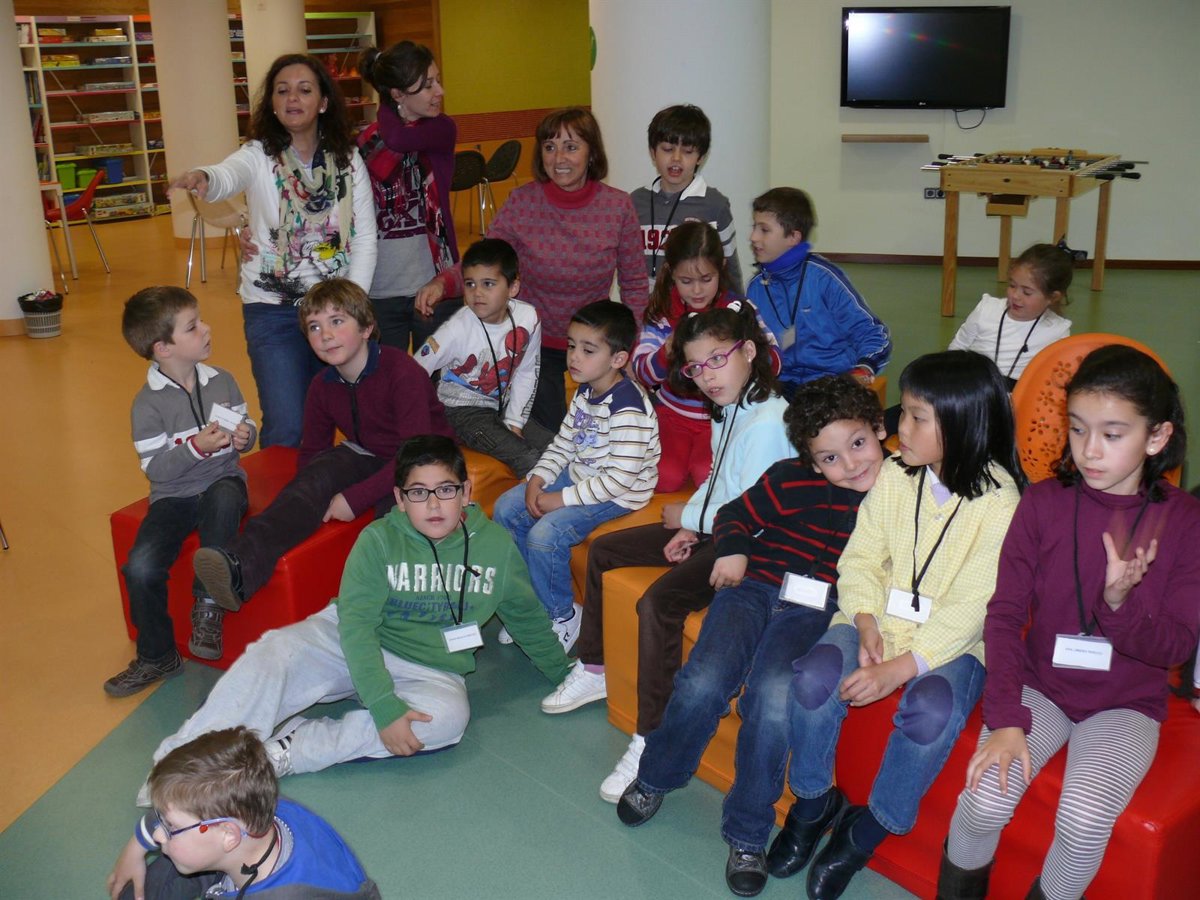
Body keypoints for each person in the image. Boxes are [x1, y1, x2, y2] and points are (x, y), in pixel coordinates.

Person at [141, 437, 573, 787]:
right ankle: (183, 765)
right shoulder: (377, 539)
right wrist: (384, 706)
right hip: (350, 642)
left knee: (448, 720)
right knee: (275, 651)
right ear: (399, 499)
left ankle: (288, 751)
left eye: (446, 490)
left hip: (430, 667)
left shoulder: (495, 547)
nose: (434, 504)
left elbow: (526, 617)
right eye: (418, 493)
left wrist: (565, 675)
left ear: (466, 492)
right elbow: (358, 626)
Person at [940, 346, 1200, 900]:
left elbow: (1177, 646)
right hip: (1041, 686)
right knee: (985, 798)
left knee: (1083, 822)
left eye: (1112, 434)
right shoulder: (1042, 502)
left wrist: (1120, 604)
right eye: (1078, 429)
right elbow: (1005, 616)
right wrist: (1005, 718)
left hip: (1125, 704)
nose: (1089, 450)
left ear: (1156, 437)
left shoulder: (1185, 520)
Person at [615, 377, 889, 899]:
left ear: (879, 429)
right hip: (754, 587)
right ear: (812, 462)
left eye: (858, 444)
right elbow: (734, 514)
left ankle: (747, 834)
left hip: (816, 609)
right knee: (703, 681)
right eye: (830, 458)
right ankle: (656, 776)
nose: (851, 464)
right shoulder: (789, 477)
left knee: (774, 698)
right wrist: (733, 549)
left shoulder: (894, 493)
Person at [773, 351, 1025, 900]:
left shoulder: (1001, 503)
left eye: (915, 417)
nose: (898, 427)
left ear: (961, 422)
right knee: (814, 677)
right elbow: (861, 557)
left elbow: (972, 609)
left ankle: (868, 830)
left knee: (932, 710)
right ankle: (813, 802)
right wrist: (865, 621)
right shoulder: (896, 474)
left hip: (955, 645)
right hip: (877, 617)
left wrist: (900, 668)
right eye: (903, 413)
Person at [542, 305, 791, 804]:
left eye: (717, 360)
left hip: (750, 544)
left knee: (658, 603)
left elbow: (752, 511)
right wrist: (692, 521)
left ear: (748, 351)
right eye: (695, 367)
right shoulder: (730, 404)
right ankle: (595, 668)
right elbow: (719, 482)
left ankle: (649, 736)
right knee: (606, 550)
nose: (707, 377)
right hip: (716, 525)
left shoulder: (767, 420)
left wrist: (691, 520)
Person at [191, 280, 452, 613]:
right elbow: (313, 453)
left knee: (395, 520)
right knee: (314, 479)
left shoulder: (401, 372)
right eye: (315, 327)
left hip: (424, 458)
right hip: (367, 453)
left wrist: (354, 499)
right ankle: (239, 567)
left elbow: (414, 455)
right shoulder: (323, 384)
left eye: (337, 321)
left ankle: (402, 607)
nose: (325, 335)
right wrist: (308, 496)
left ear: (367, 328)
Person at [169, 54, 376, 449]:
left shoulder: (348, 160)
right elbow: (228, 174)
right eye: (282, 91)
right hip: (273, 311)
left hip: (336, 311)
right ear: (272, 104)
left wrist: (352, 307)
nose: (292, 98)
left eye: (304, 90)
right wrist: (205, 178)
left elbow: (365, 236)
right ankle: (284, 489)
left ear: (323, 102)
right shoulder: (258, 154)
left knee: (342, 420)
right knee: (288, 426)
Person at [415, 108, 648, 431]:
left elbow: (634, 284)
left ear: (592, 153)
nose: (559, 158)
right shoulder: (523, 202)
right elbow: (487, 259)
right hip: (535, 344)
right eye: (550, 147)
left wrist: (631, 346)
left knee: (604, 431)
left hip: (594, 343)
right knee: (552, 436)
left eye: (571, 147)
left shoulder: (618, 206)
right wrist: (443, 283)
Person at [106, 287, 256, 697]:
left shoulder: (222, 380)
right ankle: (157, 656)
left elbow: (248, 427)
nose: (206, 329)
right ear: (164, 348)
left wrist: (246, 436)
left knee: (224, 499)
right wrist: (194, 448)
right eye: (192, 327)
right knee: (140, 568)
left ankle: (208, 604)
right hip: (173, 495)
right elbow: (155, 468)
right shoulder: (146, 406)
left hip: (223, 480)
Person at [492, 300, 660, 652]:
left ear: (618, 359)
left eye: (588, 350)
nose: (574, 357)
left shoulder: (628, 408)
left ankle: (562, 616)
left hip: (619, 493)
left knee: (545, 535)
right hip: (582, 476)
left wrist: (561, 498)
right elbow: (565, 443)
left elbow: (618, 480)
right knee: (506, 508)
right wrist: (538, 478)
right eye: (571, 346)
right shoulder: (586, 389)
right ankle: (532, 604)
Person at [108, 727, 380, 900]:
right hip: (240, 860)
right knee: (134, 892)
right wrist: (136, 846)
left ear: (228, 835)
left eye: (169, 826)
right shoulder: (251, 802)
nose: (158, 834)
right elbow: (181, 806)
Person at [631, 220, 778, 493]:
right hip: (672, 414)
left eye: (706, 279)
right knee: (664, 479)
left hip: (723, 416)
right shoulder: (662, 312)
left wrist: (747, 354)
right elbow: (641, 372)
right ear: (671, 273)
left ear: (721, 268)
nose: (697, 291)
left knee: (707, 479)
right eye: (686, 281)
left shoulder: (738, 309)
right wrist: (667, 351)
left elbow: (775, 359)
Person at [415, 238, 554, 477]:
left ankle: (577, 493)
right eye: (470, 284)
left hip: (502, 405)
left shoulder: (528, 318)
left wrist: (515, 421)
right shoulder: (455, 329)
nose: (477, 293)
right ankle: (541, 499)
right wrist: (426, 424)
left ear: (513, 287)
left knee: (556, 448)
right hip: (461, 411)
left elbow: (526, 372)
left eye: (488, 284)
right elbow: (414, 371)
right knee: (529, 459)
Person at [358, 41, 460, 351]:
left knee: (435, 376)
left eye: (438, 80)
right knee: (387, 377)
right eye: (428, 85)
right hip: (380, 289)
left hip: (432, 285)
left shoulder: (441, 129)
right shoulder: (365, 143)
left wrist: (387, 103)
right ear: (398, 93)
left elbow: (398, 138)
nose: (440, 91)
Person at [746, 187, 891, 398]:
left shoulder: (824, 278)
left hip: (832, 383)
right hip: (781, 384)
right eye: (754, 227)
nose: (753, 237)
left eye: (764, 230)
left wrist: (862, 370)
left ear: (793, 237)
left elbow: (873, 334)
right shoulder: (756, 286)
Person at [630, 104, 743, 293]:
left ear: (701, 157)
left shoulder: (715, 205)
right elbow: (628, 269)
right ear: (652, 152)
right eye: (667, 149)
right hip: (647, 308)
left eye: (688, 151)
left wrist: (737, 307)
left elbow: (730, 270)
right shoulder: (635, 202)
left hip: (699, 307)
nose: (676, 158)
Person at [948, 242, 1073, 388]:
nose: (1015, 295)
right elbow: (957, 349)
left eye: (1027, 292)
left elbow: (1055, 380)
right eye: (1012, 285)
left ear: (1052, 297)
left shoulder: (1058, 331)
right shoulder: (986, 309)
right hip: (972, 390)